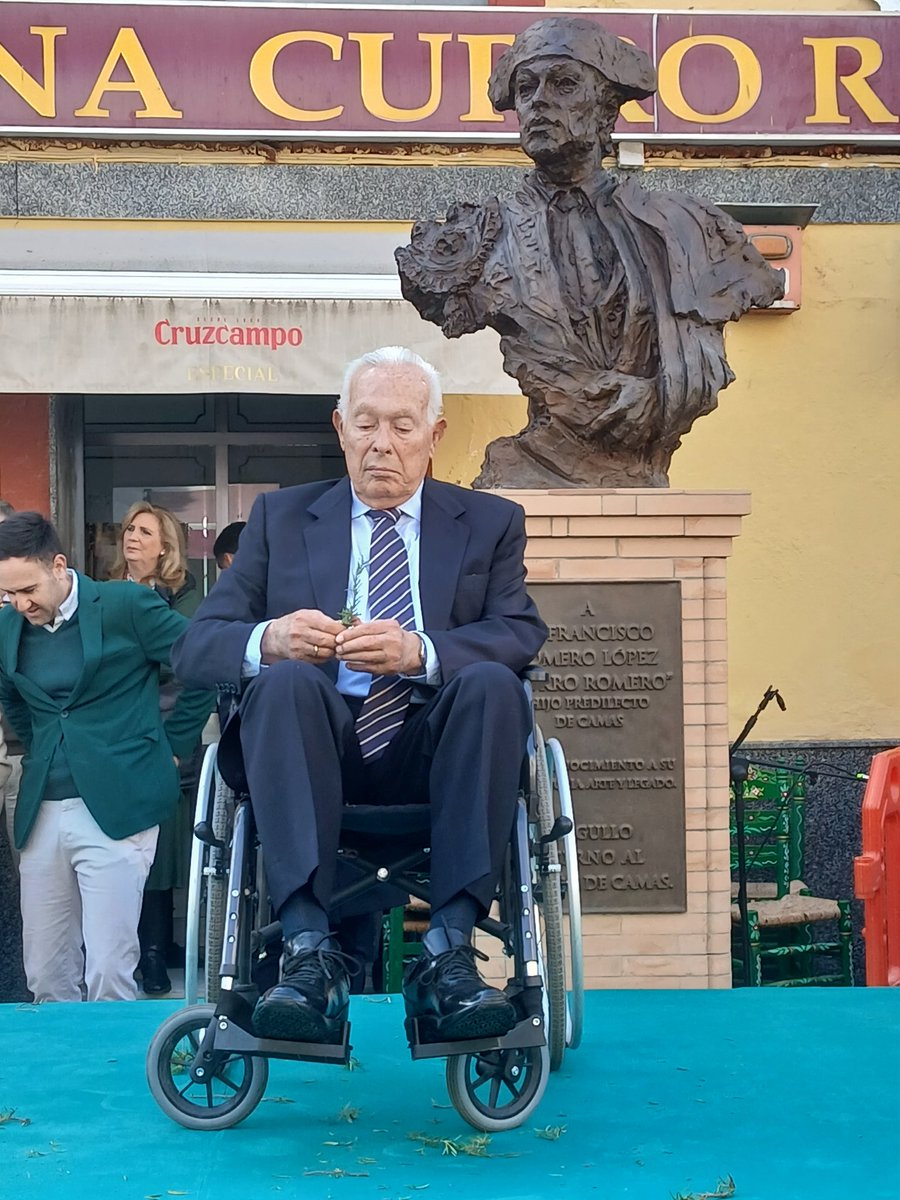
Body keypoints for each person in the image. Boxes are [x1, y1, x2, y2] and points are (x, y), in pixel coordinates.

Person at [172, 345, 548, 1045]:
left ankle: (451, 954)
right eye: (367, 423)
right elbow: (195, 647)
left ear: (434, 436)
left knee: (495, 683)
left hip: (434, 750)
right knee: (281, 682)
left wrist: (422, 652)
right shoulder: (281, 520)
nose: (382, 444)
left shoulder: (489, 522)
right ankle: (309, 953)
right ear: (340, 427)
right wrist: (270, 639)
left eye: (403, 426)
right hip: (308, 755)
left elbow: (521, 631)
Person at [396, 17, 783, 489]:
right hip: (543, 459)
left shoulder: (684, 229)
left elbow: (699, 368)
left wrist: (658, 395)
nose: (539, 100)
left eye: (563, 85)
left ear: (604, 111)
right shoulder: (477, 240)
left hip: (641, 466)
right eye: (527, 87)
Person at [0, 512, 212, 1003]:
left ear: (58, 565)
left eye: (27, 588)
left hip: (118, 804)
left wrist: (174, 746)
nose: (19, 603)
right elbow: (11, 695)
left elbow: (201, 665)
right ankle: (63, 1078)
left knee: (110, 970)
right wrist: (42, 748)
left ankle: (115, 1078)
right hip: (41, 807)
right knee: (45, 972)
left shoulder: (125, 604)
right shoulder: (9, 625)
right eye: (8, 594)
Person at [109, 500, 214, 994]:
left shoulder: (184, 600)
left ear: (166, 547)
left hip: (166, 737)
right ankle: (144, 949)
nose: (133, 537)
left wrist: (175, 742)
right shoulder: (104, 595)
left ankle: (157, 949)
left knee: (167, 846)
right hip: (116, 742)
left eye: (145, 532)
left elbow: (195, 671)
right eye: (130, 528)